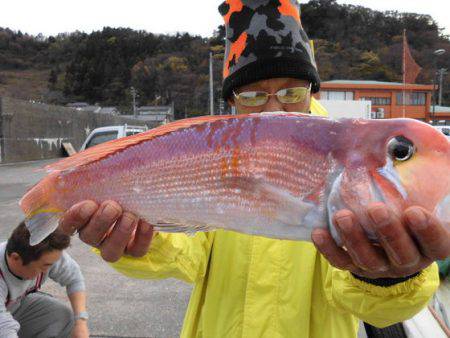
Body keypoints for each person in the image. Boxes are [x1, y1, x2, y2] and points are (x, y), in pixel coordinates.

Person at [58, 1, 447, 337]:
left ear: (314, 92)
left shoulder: (350, 162)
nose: (274, 108)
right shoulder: (212, 152)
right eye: (253, 95)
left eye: (292, 92)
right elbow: (185, 256)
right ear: (232, 102)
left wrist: (390, 276)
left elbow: (376, 307)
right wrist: (133, 241)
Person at [0, 222, 89, 338]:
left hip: (13, 307)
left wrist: (81, 321)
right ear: (16, 258)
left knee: (62, 316)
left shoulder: (47, 255)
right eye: (46, 265)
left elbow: (74, 279)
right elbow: (3, 326)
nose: (50, 268)